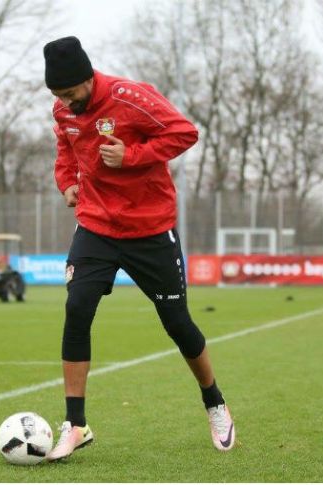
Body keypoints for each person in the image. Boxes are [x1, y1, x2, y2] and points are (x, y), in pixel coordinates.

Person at [43, 36, 236, 462]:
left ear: (88, 78)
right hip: (96, 225)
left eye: (71, 94)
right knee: (77, 308)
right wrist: (68, 182)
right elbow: (65, 146)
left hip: (150, 228)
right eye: (57, 95)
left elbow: (185, 133)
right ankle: (76, 424)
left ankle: (214, 402)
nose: (65, 103)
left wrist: (132, 155)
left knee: (177, 323)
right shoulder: (62, 108)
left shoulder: (131, 97)